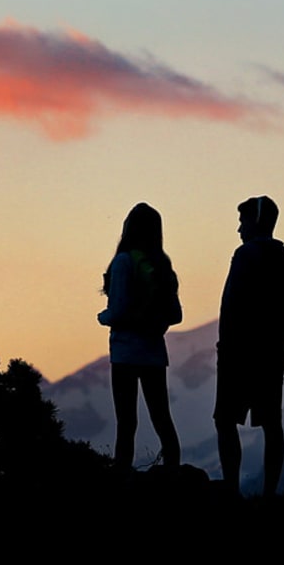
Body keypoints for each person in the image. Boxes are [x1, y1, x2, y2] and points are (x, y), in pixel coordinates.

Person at [213, 195, 284, 498]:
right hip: (273, 353)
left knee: (224, 420)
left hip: (238, 353)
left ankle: (232, 490)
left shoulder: (245, 255)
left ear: (255, 221)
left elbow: (231, 305)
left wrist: (226, 347)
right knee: (272, 423)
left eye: (242, 221)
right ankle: (269, 492)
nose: (239, 228)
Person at [98, 202, 182, 475]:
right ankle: (173, 471)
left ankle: (122, 474)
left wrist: (104, 317)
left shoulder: (123, 262)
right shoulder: (161, 263)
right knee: (162, 417)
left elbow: (119, 310)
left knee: (126, 420)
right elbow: (175, 313)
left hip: (125, 351)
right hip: (154, 351)